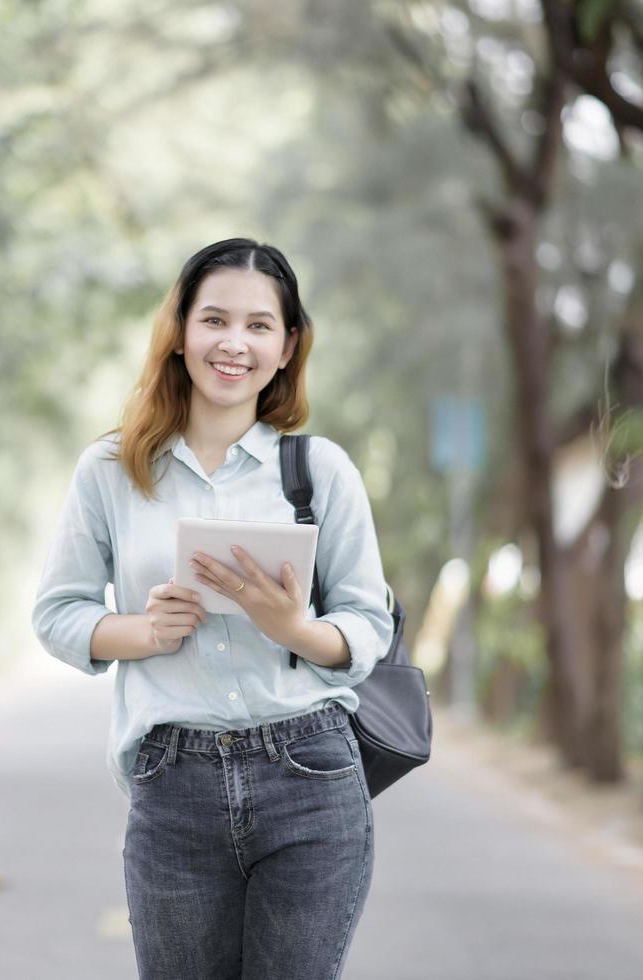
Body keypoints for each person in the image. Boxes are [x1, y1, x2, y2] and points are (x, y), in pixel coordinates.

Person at [33, 238, 393, 979]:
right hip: (173, 782)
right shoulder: (111, 469)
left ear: (289, 346)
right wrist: (141, 631)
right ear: (181, 333)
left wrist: (294, 630)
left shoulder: (320, 471)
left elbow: (368, 625)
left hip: (311, 774)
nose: (236, 344)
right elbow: (58, 611)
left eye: (261, 326)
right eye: (215, 320)